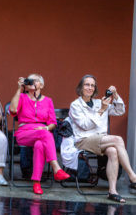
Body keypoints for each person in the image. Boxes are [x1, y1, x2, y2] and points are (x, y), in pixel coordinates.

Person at [69, 75, 136, 203]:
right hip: (84, 140)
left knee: (112, 151)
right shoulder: (75, 105)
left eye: (92, 85)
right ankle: (133, 176)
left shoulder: (99, 102)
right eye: (87, 85)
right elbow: (84, 125)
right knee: (117, 140)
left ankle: (112, 191)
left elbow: (119, 110)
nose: (90, 88)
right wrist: (101, 110)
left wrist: (115, 95)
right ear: (81, 87)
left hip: (101, 140)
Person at [9, 74, 70, 194]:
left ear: (41, 85)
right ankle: (56, 168)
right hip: (24, 133)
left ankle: (36, 183)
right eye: (30, 80)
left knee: (40, 145)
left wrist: (46, 127)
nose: (32, 82)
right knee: (46, 134)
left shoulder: (48, 101)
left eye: (35, 81)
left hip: (42, 133)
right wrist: (19, 89)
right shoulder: (21, 97)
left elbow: (53, 123)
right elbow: (13, 110)